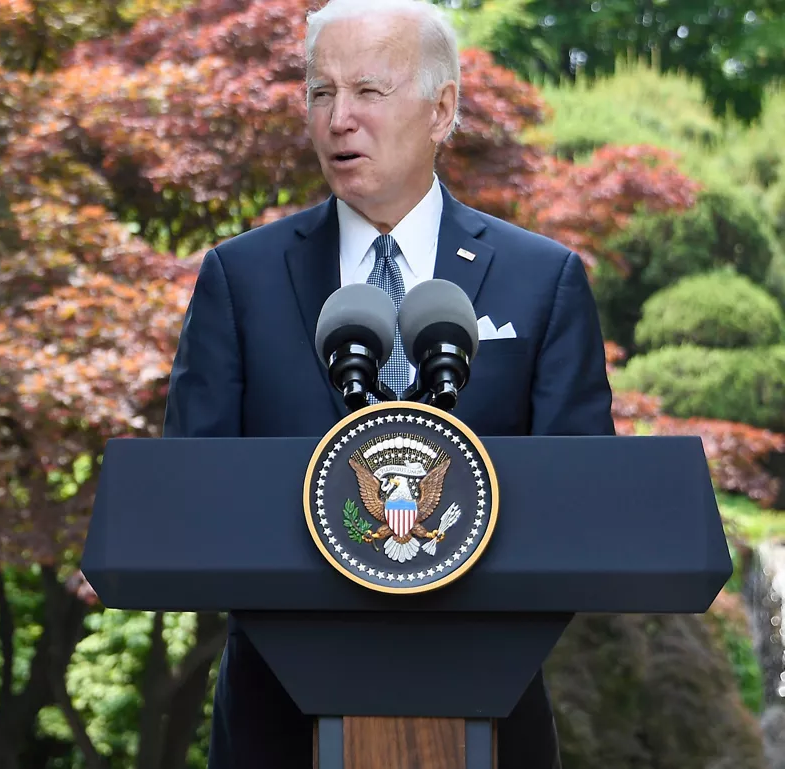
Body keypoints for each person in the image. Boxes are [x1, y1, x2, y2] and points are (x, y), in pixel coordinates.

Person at [162, 1, 613, 767]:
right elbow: (190, 488)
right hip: (275, 716)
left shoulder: (545, 279)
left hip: (489, 707)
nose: (339, 119)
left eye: (369, 91)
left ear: (441, 110)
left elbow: (585, 497)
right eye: (319, 92)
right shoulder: (241, 277)